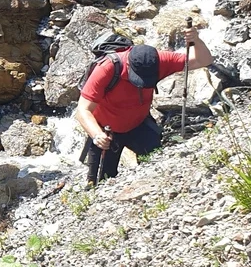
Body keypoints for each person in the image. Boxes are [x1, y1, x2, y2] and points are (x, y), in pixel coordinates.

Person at [74, 30, 212, 180]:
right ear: (129, 65)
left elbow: (203, 60)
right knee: (100, 181)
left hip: (139, 126)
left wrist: (196, 40)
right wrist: (97, 135)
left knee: (158, 165)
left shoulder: (159, 60)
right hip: (106, 132)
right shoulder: (107, 68)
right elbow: (83, 110)